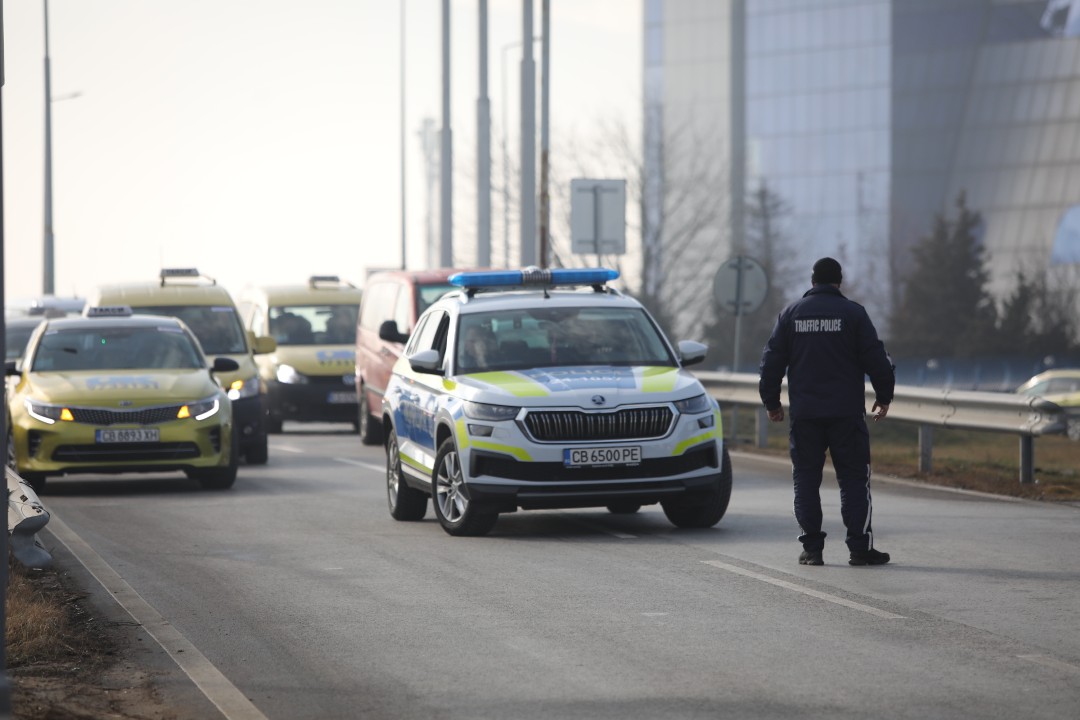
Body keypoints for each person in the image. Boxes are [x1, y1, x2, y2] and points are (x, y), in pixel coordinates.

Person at [758, 257, 896, 567]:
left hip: (805, 415)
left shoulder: (790, 315)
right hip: (846, 415)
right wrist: (884, 395)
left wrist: (772, 403)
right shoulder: (853, 314)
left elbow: (770, 363)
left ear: (812, 281)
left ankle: (812, 549)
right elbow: (877, 359)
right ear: (839, 282)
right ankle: (860, 548)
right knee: (854, 480)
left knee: (806, 479)